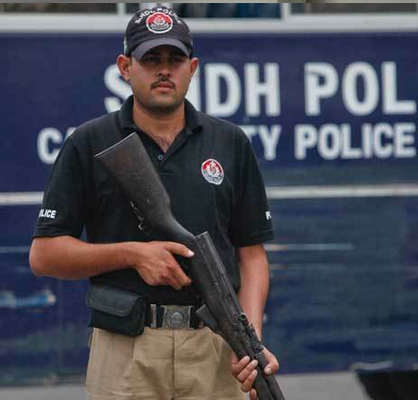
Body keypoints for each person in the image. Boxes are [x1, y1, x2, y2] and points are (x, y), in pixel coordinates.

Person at [29, 6, 279, 400]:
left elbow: (252, 255)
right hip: (126, 351)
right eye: (151, 59)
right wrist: (133, 255)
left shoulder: (230, 143)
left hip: (214, 349)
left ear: (192, 67)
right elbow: (44, 256)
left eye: (175, 59)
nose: (165, 70)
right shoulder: (90, 141)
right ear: (125, 67)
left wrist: (249, 341)